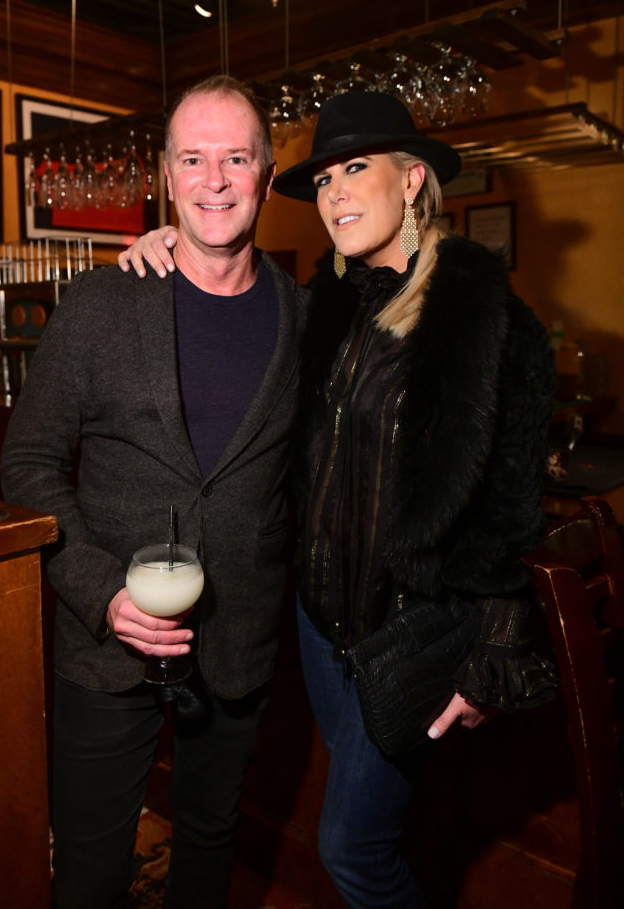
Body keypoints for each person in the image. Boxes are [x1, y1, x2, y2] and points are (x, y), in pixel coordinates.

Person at [119, 89, 558, 908]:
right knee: (382, 832)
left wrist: (494, 649)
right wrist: (169, 239)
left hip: (406, 631)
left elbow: (509, 500)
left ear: (413, 179)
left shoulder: (483, 318)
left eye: (356, 169)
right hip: (319, 628)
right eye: (323, 179)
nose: (335, 194)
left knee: (352, 850)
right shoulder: (325, 304)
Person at [0, 75, 309, 909]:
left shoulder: (304, 318)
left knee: (209, 846)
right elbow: (27, 463)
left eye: (236, 158)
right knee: (93, 871)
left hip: (238, 639)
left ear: (266, 175)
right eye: (193, 159)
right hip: (106, 642)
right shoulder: (102, 303)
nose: (215, 180)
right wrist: (102, 591)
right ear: (167, 176)